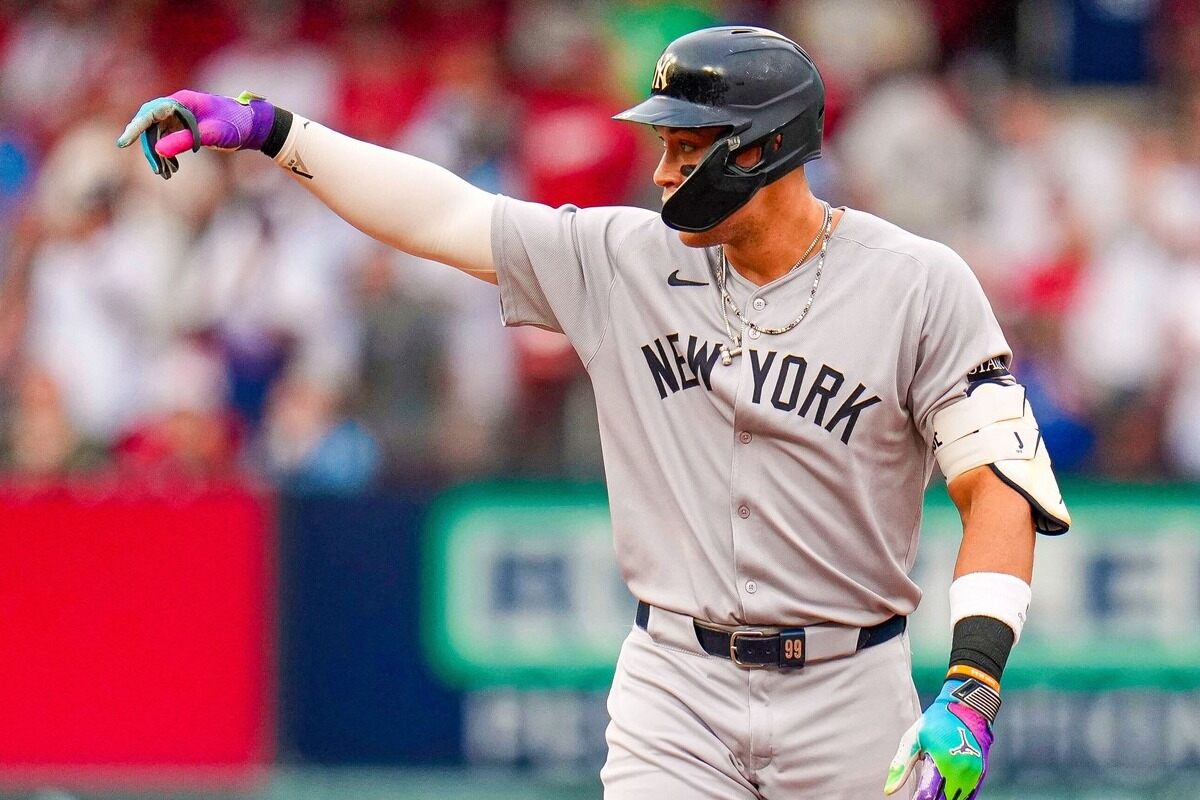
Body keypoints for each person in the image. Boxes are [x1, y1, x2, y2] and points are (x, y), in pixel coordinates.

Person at [117, 26, 1070, 800]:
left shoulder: (918, 285)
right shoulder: (623, 256)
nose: (661, 172)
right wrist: (271, 130)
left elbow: (999, 488)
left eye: (688, 147)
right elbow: (441, 215)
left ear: (767, 149)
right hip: (677, 687)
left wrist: (974, 687)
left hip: (851, 688)